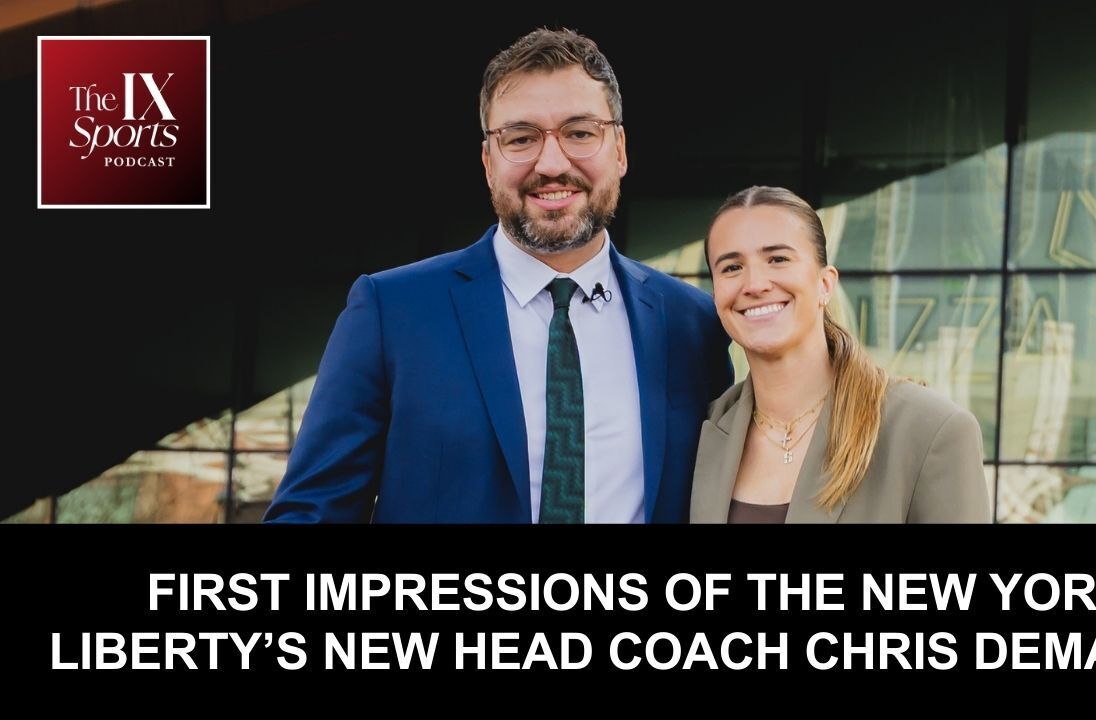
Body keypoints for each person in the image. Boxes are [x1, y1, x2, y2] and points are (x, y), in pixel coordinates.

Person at [265, 28, 732, 523]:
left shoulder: (693, 322)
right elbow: (311, 513)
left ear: (619, 149)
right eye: (521, 138)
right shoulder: (392, 311)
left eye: (579, 132)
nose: (551, 164)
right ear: (489, 162)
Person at [690, 186, 991, 523]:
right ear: (716, 294)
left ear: (825, 284)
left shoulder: (930, 430)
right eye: (732, 267)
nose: (755, 283)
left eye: (778, 259)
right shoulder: (704, 432)